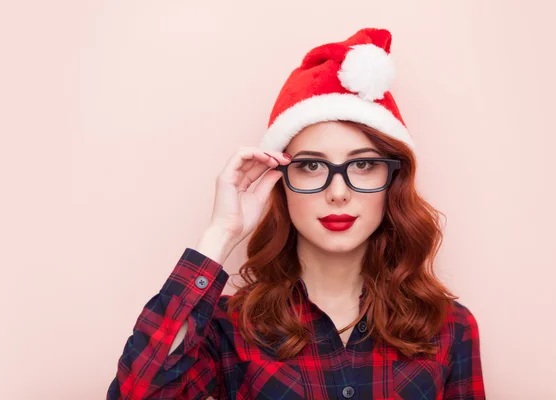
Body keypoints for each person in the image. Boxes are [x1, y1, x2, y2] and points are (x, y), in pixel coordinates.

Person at [107, 27, 486, 399]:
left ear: (392, 181)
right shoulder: (227, 328)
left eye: (364, 166)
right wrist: (220, 232)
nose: (338, 193)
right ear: (280, 180)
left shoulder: (449, 327)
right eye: (311, 166)